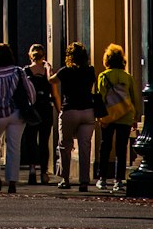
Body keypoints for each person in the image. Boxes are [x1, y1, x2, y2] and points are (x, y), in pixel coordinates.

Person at [0, 42, 32, 193]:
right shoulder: (17, 71)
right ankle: (12, 181)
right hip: (16, 113)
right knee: (14, 147)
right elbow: (30, 92)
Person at [50, 41, 97, 191]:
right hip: (88, 111)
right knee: (85, 147)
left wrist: (48, 71)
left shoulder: (65, 71)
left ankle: (65, 179)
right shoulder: (90, 71)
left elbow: (51, 81)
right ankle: (84, 181)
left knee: (65, 145)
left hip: (69, 110)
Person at [94, 43, 142, 191]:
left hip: (108, 116)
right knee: (122, 149)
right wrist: (135, 117)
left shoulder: (103, 76)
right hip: (125, 115)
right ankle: (119, 180)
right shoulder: (127, 77)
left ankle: (102, 178)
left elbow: (100, 97)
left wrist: (100, 117)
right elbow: (134, 97)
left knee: (105, 146)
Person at [22, 43, 53, 185]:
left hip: (31, 110)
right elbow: (53, 87)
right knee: (44, 142)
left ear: (30, 56)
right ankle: (44, 173)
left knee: (31, 141)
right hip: (45, 109)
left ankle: (32, 170)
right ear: (44, 56)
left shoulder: (25, 71)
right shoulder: (47, 71)